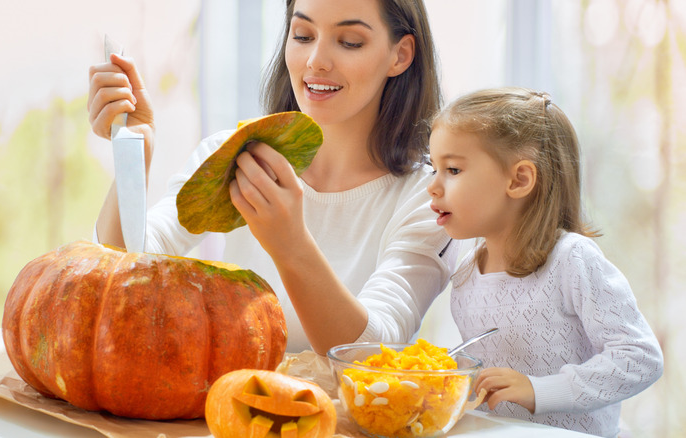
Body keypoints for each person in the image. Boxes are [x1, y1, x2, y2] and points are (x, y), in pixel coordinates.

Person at [87, 0, 456, 354]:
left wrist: (291, 246)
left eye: (349, 42)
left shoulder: (431, 198)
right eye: (303, 35)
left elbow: (374, 351)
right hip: (229, 410)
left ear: (400, 55)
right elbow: (122, 271)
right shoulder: (235, 153)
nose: (316, 61)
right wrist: (133, 151)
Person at [426, 87, 663, 437]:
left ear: (519, 179)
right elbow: (494, 376)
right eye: (434, 169)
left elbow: (640, 358)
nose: (433, 186)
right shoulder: (465, 275)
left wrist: (540, 390)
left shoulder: (572, 260)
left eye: (453, 169)